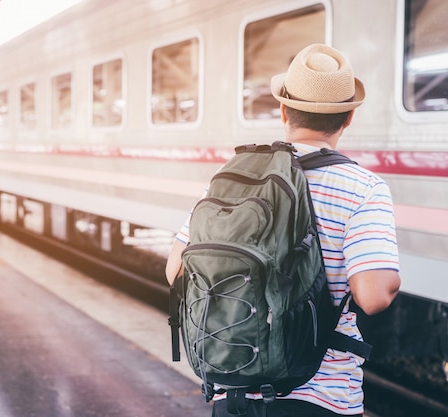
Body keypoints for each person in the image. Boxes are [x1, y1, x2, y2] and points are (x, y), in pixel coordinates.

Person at [165, 44, 401, 417]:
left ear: (283, 110)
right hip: (321, 398)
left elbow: (174, 269)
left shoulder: (232, 178)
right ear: (349, 118)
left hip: (234, 391)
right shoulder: (363, 188)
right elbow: (373, 296)